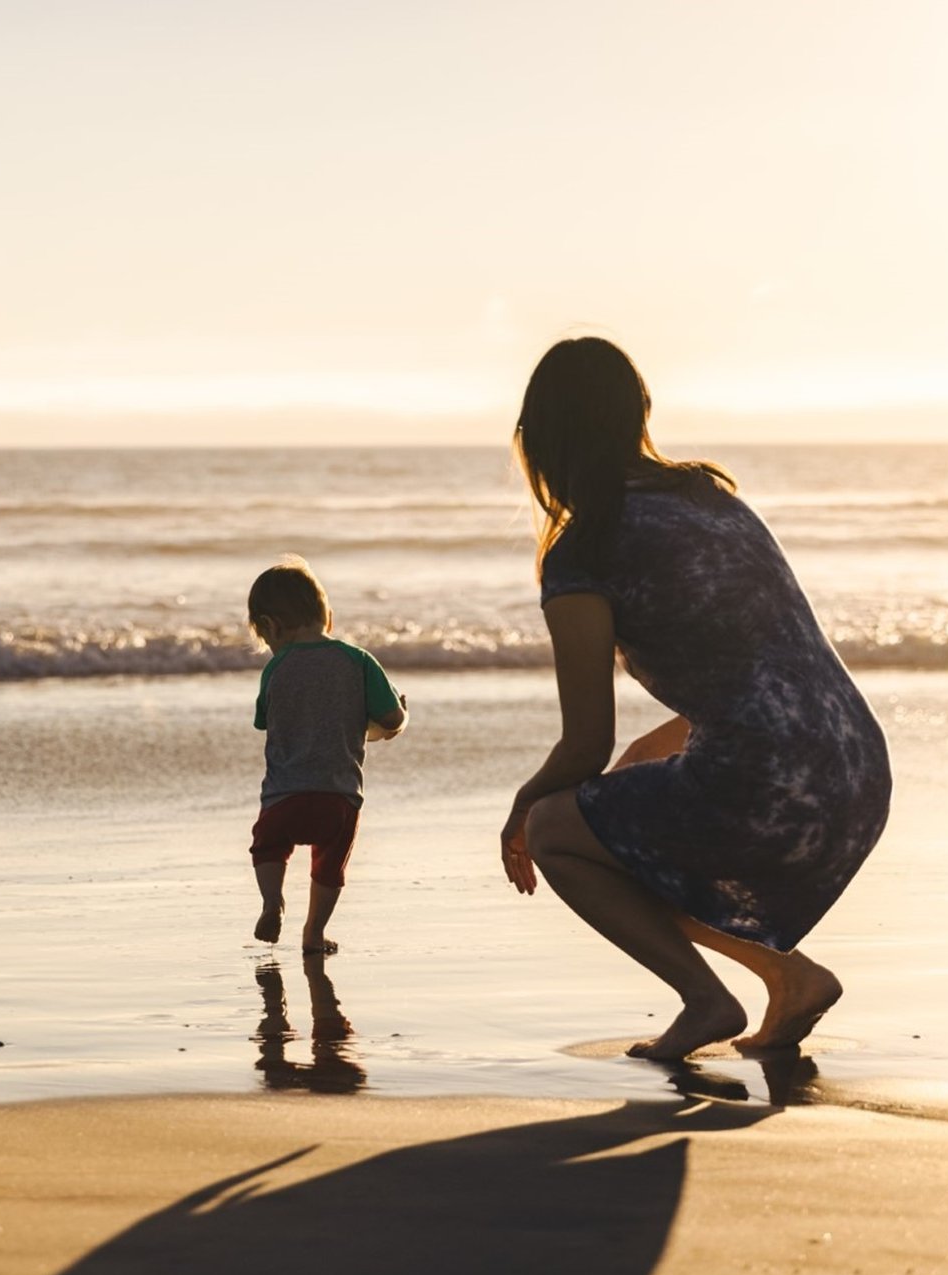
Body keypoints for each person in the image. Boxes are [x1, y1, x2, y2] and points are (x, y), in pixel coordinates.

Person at [500, 337, 891, 1061]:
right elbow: (765, 663)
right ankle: (787, 978)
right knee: (626, 823)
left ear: (541, 438)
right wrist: (653, 750)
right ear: (636, 416)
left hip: (768, 781)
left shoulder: (586, 549)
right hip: (857, 769)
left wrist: (521, 809)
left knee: (559, 826)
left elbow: (583, 744)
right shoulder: (710, 499)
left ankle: (706, 999)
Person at [247, 558, 407, 954]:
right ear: (329, 618)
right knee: (330, 867)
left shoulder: (276, 668)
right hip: (338, 798)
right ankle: (314, 932)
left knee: (267, 847)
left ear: (270, 627)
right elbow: (389, 718)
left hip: (283, 798)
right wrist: (394, 722)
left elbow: (267, 722)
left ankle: (272, 901)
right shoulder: (358, 661)